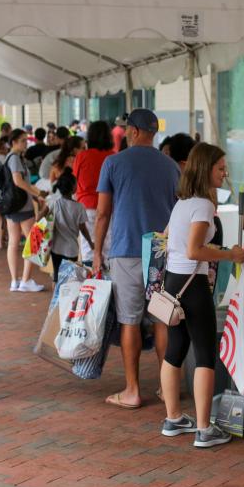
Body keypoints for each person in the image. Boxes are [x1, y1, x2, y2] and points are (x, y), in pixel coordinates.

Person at [92, 108, 180, 410]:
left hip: (126, 249)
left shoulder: (113, 163)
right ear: (153, 132)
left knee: (128, 320)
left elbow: (103, 213)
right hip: (161, 251)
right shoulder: (170, 167)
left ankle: (132, 390)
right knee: (161, 320)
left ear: (132, 131)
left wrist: (96, 252)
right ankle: (166, 389)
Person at [159, 143, 244, 447]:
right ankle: (205, 429)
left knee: (175, 349)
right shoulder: (203, 206)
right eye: (220, 168)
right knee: (206, 354)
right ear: (205, 169)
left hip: (172, 283)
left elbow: (168, 238)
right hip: (192, 286)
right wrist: (230, 253)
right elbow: (194, 249)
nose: (225, 173)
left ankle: (174, 418)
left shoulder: (182, 202)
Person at [4, 129, 47, 292]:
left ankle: (15, 281)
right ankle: (26, 279)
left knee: (14, 242)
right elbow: (18, 181)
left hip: (13, 205)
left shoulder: (11, 157)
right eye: (22, 140)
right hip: (22, 205)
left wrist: (34, 195)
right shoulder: (15, 158)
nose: (25, 143)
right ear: (14, 142)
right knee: (33, 241)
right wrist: (37, 193)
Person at [73, 122, 114, 263]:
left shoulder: (82, 156)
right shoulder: (114, 157)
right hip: (109, 207)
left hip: (86, 207)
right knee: (108, 248)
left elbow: (75, 180)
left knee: (88, 248)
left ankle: (91, 282)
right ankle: (108, 282)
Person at [47, 168, 92, 278]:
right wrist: (90, 242)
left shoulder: (54, 202)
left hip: (56, 248)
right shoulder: (79, 207)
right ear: (73, 189)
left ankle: (55, 295)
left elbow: (39, 217)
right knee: (68, 278)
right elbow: (83, 228)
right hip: (72, 250)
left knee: (56, 277)